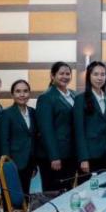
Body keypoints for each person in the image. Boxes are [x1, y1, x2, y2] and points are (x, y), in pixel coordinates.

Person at [35, 61, 76, 192]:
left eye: (68, 74)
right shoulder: (46, 98)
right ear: (52, 76)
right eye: (61, 73)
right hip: (54, 156)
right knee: (53, 192)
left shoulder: (74, 95)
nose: (65, 76)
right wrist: (54, 156)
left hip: (70, 154)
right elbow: (46, 130)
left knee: (68, 190)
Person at [74, 61, 106, 176]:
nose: (99, 78)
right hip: (89, 155)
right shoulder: (80, 99)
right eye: (95, 74)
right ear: (89, 76)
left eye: (103, 74)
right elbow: (79, 131)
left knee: (105, 184)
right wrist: (83, 158)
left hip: (105, 154)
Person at [0, 79, 37, 195]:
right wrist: (7, 165)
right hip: (13, 161)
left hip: (29, 162)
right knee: (11, 197)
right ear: (12, 94)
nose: (22, 94)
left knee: (25, 195)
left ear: (29, 93)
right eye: (18, 91)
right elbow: (4, 141)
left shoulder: (33, 112)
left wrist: (34, 164)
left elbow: (34, 138)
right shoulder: (6, 113)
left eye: (25, 91)